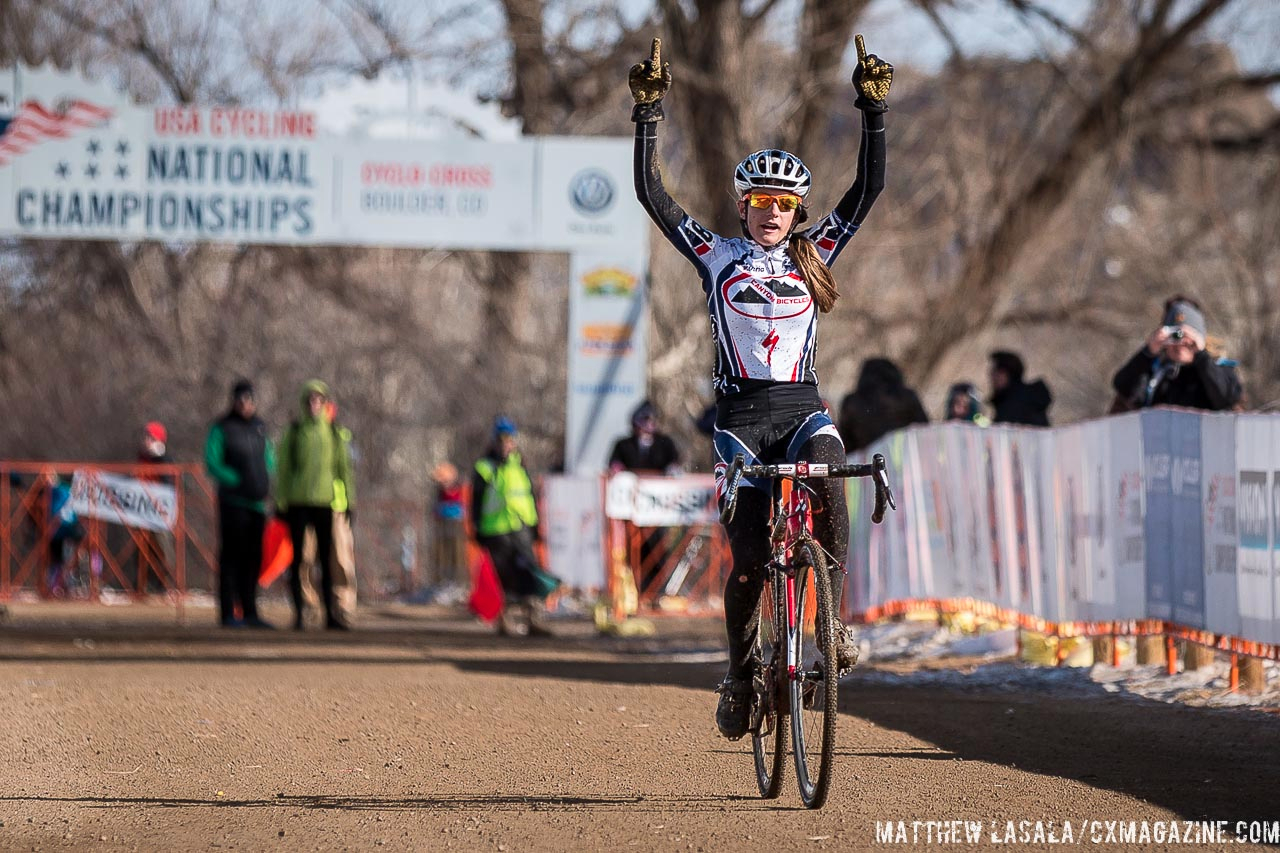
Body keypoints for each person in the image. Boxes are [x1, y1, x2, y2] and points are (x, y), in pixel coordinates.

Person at [629, 34, 890, 739]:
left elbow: (869, 189)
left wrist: (873, 109)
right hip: (739, 419)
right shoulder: (717, 255)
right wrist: (647, 113)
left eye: (784, 202)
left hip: (802, 409)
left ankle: (831, 623)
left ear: (796, 211)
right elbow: (653, 195)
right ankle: (742, 678)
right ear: (742, 207)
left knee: (834, 477)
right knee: (746, 562)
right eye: (760, 200)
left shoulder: (817, 252)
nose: (772, 210)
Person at [276, 380, 356, 631]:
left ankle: (331, 615)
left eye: (319, 400)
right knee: (300, 559)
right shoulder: (295, 430)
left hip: (325, 502)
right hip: (298, 503)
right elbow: (284, 469)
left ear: (324, 404)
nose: (314, 404)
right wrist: (281, 501)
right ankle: (300, 612)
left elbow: (343, 468)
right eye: (310, 400)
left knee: (327, 559)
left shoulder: (333, 432)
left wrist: (350, 502)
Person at [471, 416, 560, 637]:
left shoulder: (519, 464)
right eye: (501, 440)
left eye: (509, 440)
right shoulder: (484, 467)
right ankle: (505, 620)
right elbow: (476, 500)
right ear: (494, 441)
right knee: (503, 578)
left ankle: (534, 618)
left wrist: (535, 526)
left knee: (529, 574)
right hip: (495, 530)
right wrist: (477, 528)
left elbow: (528, 497)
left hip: (521, 528)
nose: (506, 444)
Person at [204, 380, 275, 628]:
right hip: (233, 502)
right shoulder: (222, 428)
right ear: (233, 400)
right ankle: (227, 613)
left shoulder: (259, 427)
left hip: (256, 504)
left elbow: (269, 458)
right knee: (231, 558)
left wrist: (265, 479)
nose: (245, 403)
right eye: (240, 398)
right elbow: (212, 462)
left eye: (249, 398)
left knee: (253, 558)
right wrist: (236, 479)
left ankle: (250, 611)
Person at [1111, 295, 1243, 412]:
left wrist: (1201, 356)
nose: (1180, 343)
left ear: (1201, 339)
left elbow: (1227, 399)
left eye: (1187, 339)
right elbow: (1123, 389)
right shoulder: (1157, 373)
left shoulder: (1218, 369)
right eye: (1175, 335)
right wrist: (1148, 352)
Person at [609, 400, 684, 596]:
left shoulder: (665, 443)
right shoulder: (623, 444)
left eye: (651, 420)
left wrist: (672, 470)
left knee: (658, 547)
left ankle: (657, 591)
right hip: (632, 510)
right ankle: (637, 590)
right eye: (644, 420)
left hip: (658, 508)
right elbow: (614, 465)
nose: (648, 424)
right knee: (633, 549)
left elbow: (674, 464)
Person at [837, 358, 929, 452]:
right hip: (906, 458)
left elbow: (845, 442)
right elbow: (924, 431)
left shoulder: (852, 402)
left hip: (868, 461)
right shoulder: (906, 397)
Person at [608, 400, 682, 475]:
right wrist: (616, 467)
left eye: (651, 422)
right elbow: (615, 462)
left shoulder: (665, 442)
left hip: (661, 482)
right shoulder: (623, 445)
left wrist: (672, 468)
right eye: (643, 422)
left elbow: (674, 462)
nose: (647, 427)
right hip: (631, 482)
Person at [989, 351, 1052, 426]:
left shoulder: (1013, 405)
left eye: (994, 372)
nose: (991, 377)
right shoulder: (1026, 398)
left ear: (1004, 374)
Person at [431, 462, 469, 589]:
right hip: (442, 524)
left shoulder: (459, 490)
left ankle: (457, 581)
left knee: (456, 552)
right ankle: (441, 581)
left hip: (456, 524)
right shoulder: (438, 493)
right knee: (442, 552)